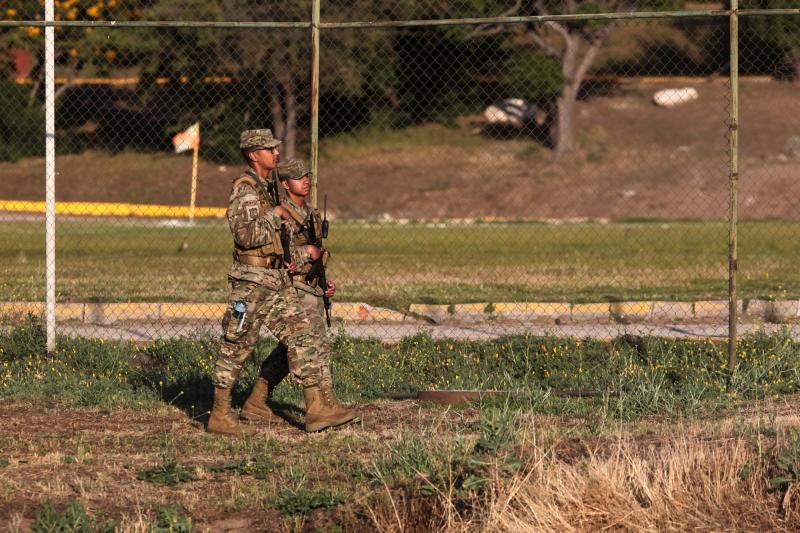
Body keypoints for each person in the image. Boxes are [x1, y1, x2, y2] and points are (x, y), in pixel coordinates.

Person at [207, 130, 344, 435]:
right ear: (254, 154)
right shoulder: (245, 189)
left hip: (276, 278)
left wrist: (298, 255)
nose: (276, 153)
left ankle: (317, 410)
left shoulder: (268, 189)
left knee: (302, 336)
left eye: (275, 148)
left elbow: (276, 243)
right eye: (269, 149)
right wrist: (274, 215)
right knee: (237, 347)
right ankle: (220, 414)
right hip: (252, 281)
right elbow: (244, 236)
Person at [244, 158, 358, 432]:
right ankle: (325, 404)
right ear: (285, 184)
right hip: (292, 289)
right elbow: (277, 255)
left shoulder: (312, 214)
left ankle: (255, 401)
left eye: (307, 176)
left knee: (291, 348)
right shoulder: (282, 215)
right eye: (298, 177)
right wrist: (305, 254)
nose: (305, 181)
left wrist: (324, 281)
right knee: (316, 344)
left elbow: (319, 254)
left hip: (312, 287)